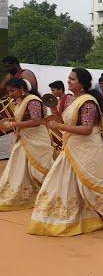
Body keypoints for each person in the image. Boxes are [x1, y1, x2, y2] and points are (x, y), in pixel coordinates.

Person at [29, 68, 103, 236]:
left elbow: (87, 129)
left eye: (72, 79)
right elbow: (66, 122)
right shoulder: (74, 100)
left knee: (89, 186)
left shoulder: (88, 102)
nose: (68, 82)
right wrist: (55, 112)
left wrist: (59, 126)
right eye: (69, 79)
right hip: (72, 146)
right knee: (61, 181)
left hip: (87, 147)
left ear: (82, 83)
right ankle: (75, 216)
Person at [0, 78, 54, 211]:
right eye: (8, 91)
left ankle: (55, 192)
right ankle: (29, 195)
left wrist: (13, 124)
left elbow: (36, 121)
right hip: (24, 139)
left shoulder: (33, 100)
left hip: (36, 139)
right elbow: (24, 118)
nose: (10, 94)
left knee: (40, 169)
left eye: (12, 90)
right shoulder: (21, 101)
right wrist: (12, 121)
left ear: (22, 89)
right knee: (18, 168)